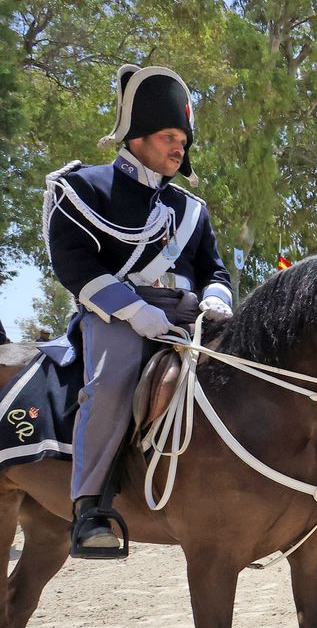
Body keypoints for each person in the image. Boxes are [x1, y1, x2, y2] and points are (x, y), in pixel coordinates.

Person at [45, 64, 232, 558]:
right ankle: (91, 508)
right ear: (137, 138)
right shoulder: (85, 189)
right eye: (169, 136)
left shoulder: (191, 209)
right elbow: (73, 262)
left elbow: (215, 269)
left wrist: (216, 296)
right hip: (116, 316)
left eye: (183, 140)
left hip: (190, 317)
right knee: (110, 384)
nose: (179, 148)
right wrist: (130, 309)